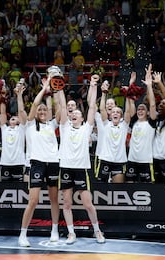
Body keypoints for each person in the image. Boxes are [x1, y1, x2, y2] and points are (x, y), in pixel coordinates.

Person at [58, 74, 105, 244]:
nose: (73, 115)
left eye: (77, 113)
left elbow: (92, 107)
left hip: (81, 169)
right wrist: (58, 87)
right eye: (72, 114)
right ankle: (71, 233)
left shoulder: (86, 128)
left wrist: (93, 85)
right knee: (67, 203)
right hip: (65, 168)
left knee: (88, 204)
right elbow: (63, 106)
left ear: (82, 118)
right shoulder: (64, 127)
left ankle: (97, 231)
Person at [18, 67, 61, 247]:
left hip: (53, 163)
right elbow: (35, 104)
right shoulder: (29, 124)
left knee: (53, 199)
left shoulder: (52, 124)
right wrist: (44, 89)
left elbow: (59, 107)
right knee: (33, 200)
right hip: (36, 164)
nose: (42, 111)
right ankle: (23, 234)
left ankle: (55, 230)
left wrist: (56, 86)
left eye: (45, 109)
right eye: (40, 110)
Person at [95, 72, 135, 183]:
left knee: (118, 189)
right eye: (113, 112)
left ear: (121, 116)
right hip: (105, 160)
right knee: (101, 189)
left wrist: (127, 95)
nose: (115, 113)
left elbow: (128, 111)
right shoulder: (106, 123)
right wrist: (103, 93)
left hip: (119, 161)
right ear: (110, 115)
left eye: (118, 112)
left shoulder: (124, 125)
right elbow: (102, 109)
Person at [126, 64, 157, 182]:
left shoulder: (151, 123)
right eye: (139, 109)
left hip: (146, 161)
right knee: (130, 188)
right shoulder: (134, 122)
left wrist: (149, 86)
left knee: (147, 189)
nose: (140, 110)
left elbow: (153, 104)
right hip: (132, 160)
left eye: (143, 109)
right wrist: (131, 84)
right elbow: (130, 103)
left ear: (148, 112)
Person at [0, 82, 27, 182]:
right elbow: (2, 113)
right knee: (4, 189)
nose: (13, 118)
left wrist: (19, 95)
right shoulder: (4, 129)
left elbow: (21, 111)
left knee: (19, 189)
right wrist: (2, 95)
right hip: (5, 163)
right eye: (11, 118)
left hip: (18, 163)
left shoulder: (22, 129)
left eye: (15, 118)